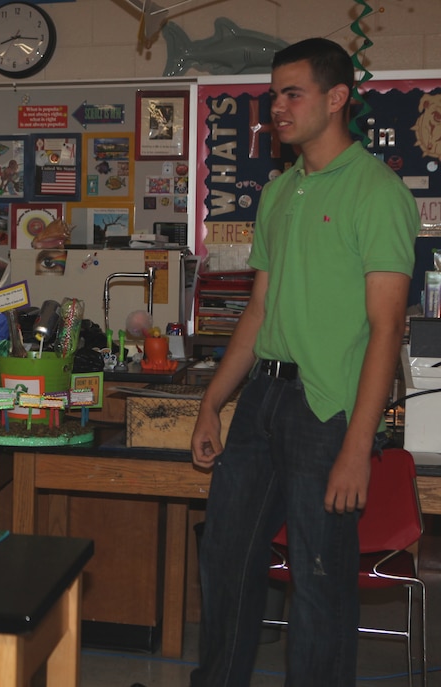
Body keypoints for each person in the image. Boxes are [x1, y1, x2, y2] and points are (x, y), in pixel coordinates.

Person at [189, 37, 418, 686]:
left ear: (337, 98)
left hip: (327, 412)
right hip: (262, 399)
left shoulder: (377, 193)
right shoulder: (280, 191)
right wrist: (213, 402)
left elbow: (386, 329)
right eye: (273, 94)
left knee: (319, 587)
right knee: (226, 560)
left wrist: (356, 444)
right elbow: (258, 312)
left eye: (293, 94)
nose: (277, 107)